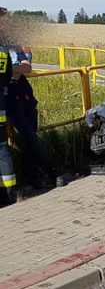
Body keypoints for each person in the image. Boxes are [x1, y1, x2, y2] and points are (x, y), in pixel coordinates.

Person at [6, 46, 59, 188]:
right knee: (30, 136)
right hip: (9, 96)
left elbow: (27, 68)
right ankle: (52, 171)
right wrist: (14, 69)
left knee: (30, 137)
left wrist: (11, 70)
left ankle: (33, 177)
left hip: (24, 93)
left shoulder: (15, 45)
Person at [0, 45, 15, 205]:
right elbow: (8, 76)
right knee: (3, 151)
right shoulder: (3, 50)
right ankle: (8, 194)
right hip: (1, 109)